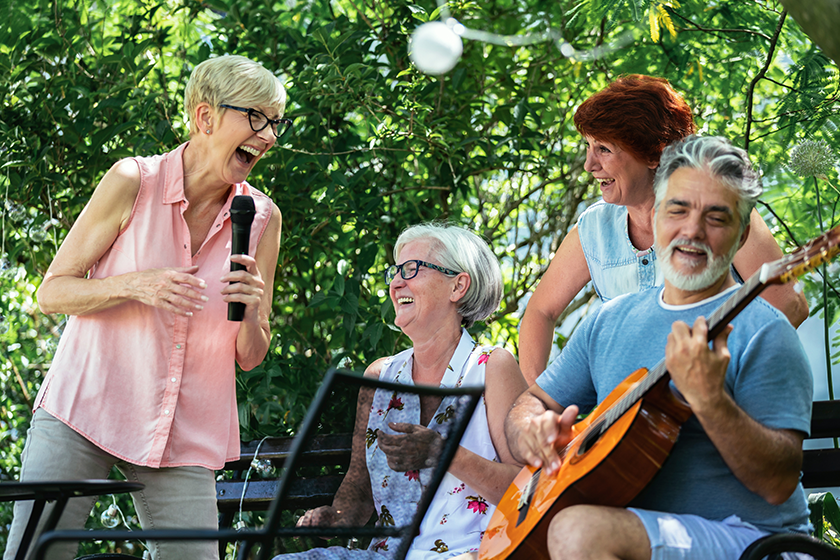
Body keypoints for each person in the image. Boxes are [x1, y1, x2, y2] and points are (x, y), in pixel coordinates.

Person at [5, 55, 287, 560]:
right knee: (34, 555)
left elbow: (251, 354)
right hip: (86, 407)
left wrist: (253, 309)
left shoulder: (262, 217)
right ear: (205, 117)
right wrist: (136, 285)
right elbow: (52, 293)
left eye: (276, 122)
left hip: (182, 433)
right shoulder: (133, 180)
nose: (267, 135)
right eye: (255, 117)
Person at [503, 135, 813, 560]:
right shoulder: (609, 321)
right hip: (643, 539)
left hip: (757, 543)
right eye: (678, 209)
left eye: (717, 218)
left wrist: (708, 399)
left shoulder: (764, 330)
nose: (692, 230)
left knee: (578, 531)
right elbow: (531, 403)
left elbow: (778, 484)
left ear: (742, 238)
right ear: (655, 216)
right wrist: (530, 431)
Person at [518, 75, 809, 384]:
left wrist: (718, 374)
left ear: (654, 153)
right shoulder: (594, 229)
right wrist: (537, 398)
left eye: (603, 149)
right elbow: (540, 312)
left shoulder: (719, 214)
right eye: (588, 146)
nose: (590, 164)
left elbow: (789, 303)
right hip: (633, 419)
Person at [279, 223, 527, 560]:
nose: (397, 283)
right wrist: (334, 519)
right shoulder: (380, 375)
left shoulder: (492, 367)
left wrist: (442, 454)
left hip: (475, 553)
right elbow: (360, 486)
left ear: (458, 285)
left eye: (411, 269)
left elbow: (525, 488)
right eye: (395, 272)